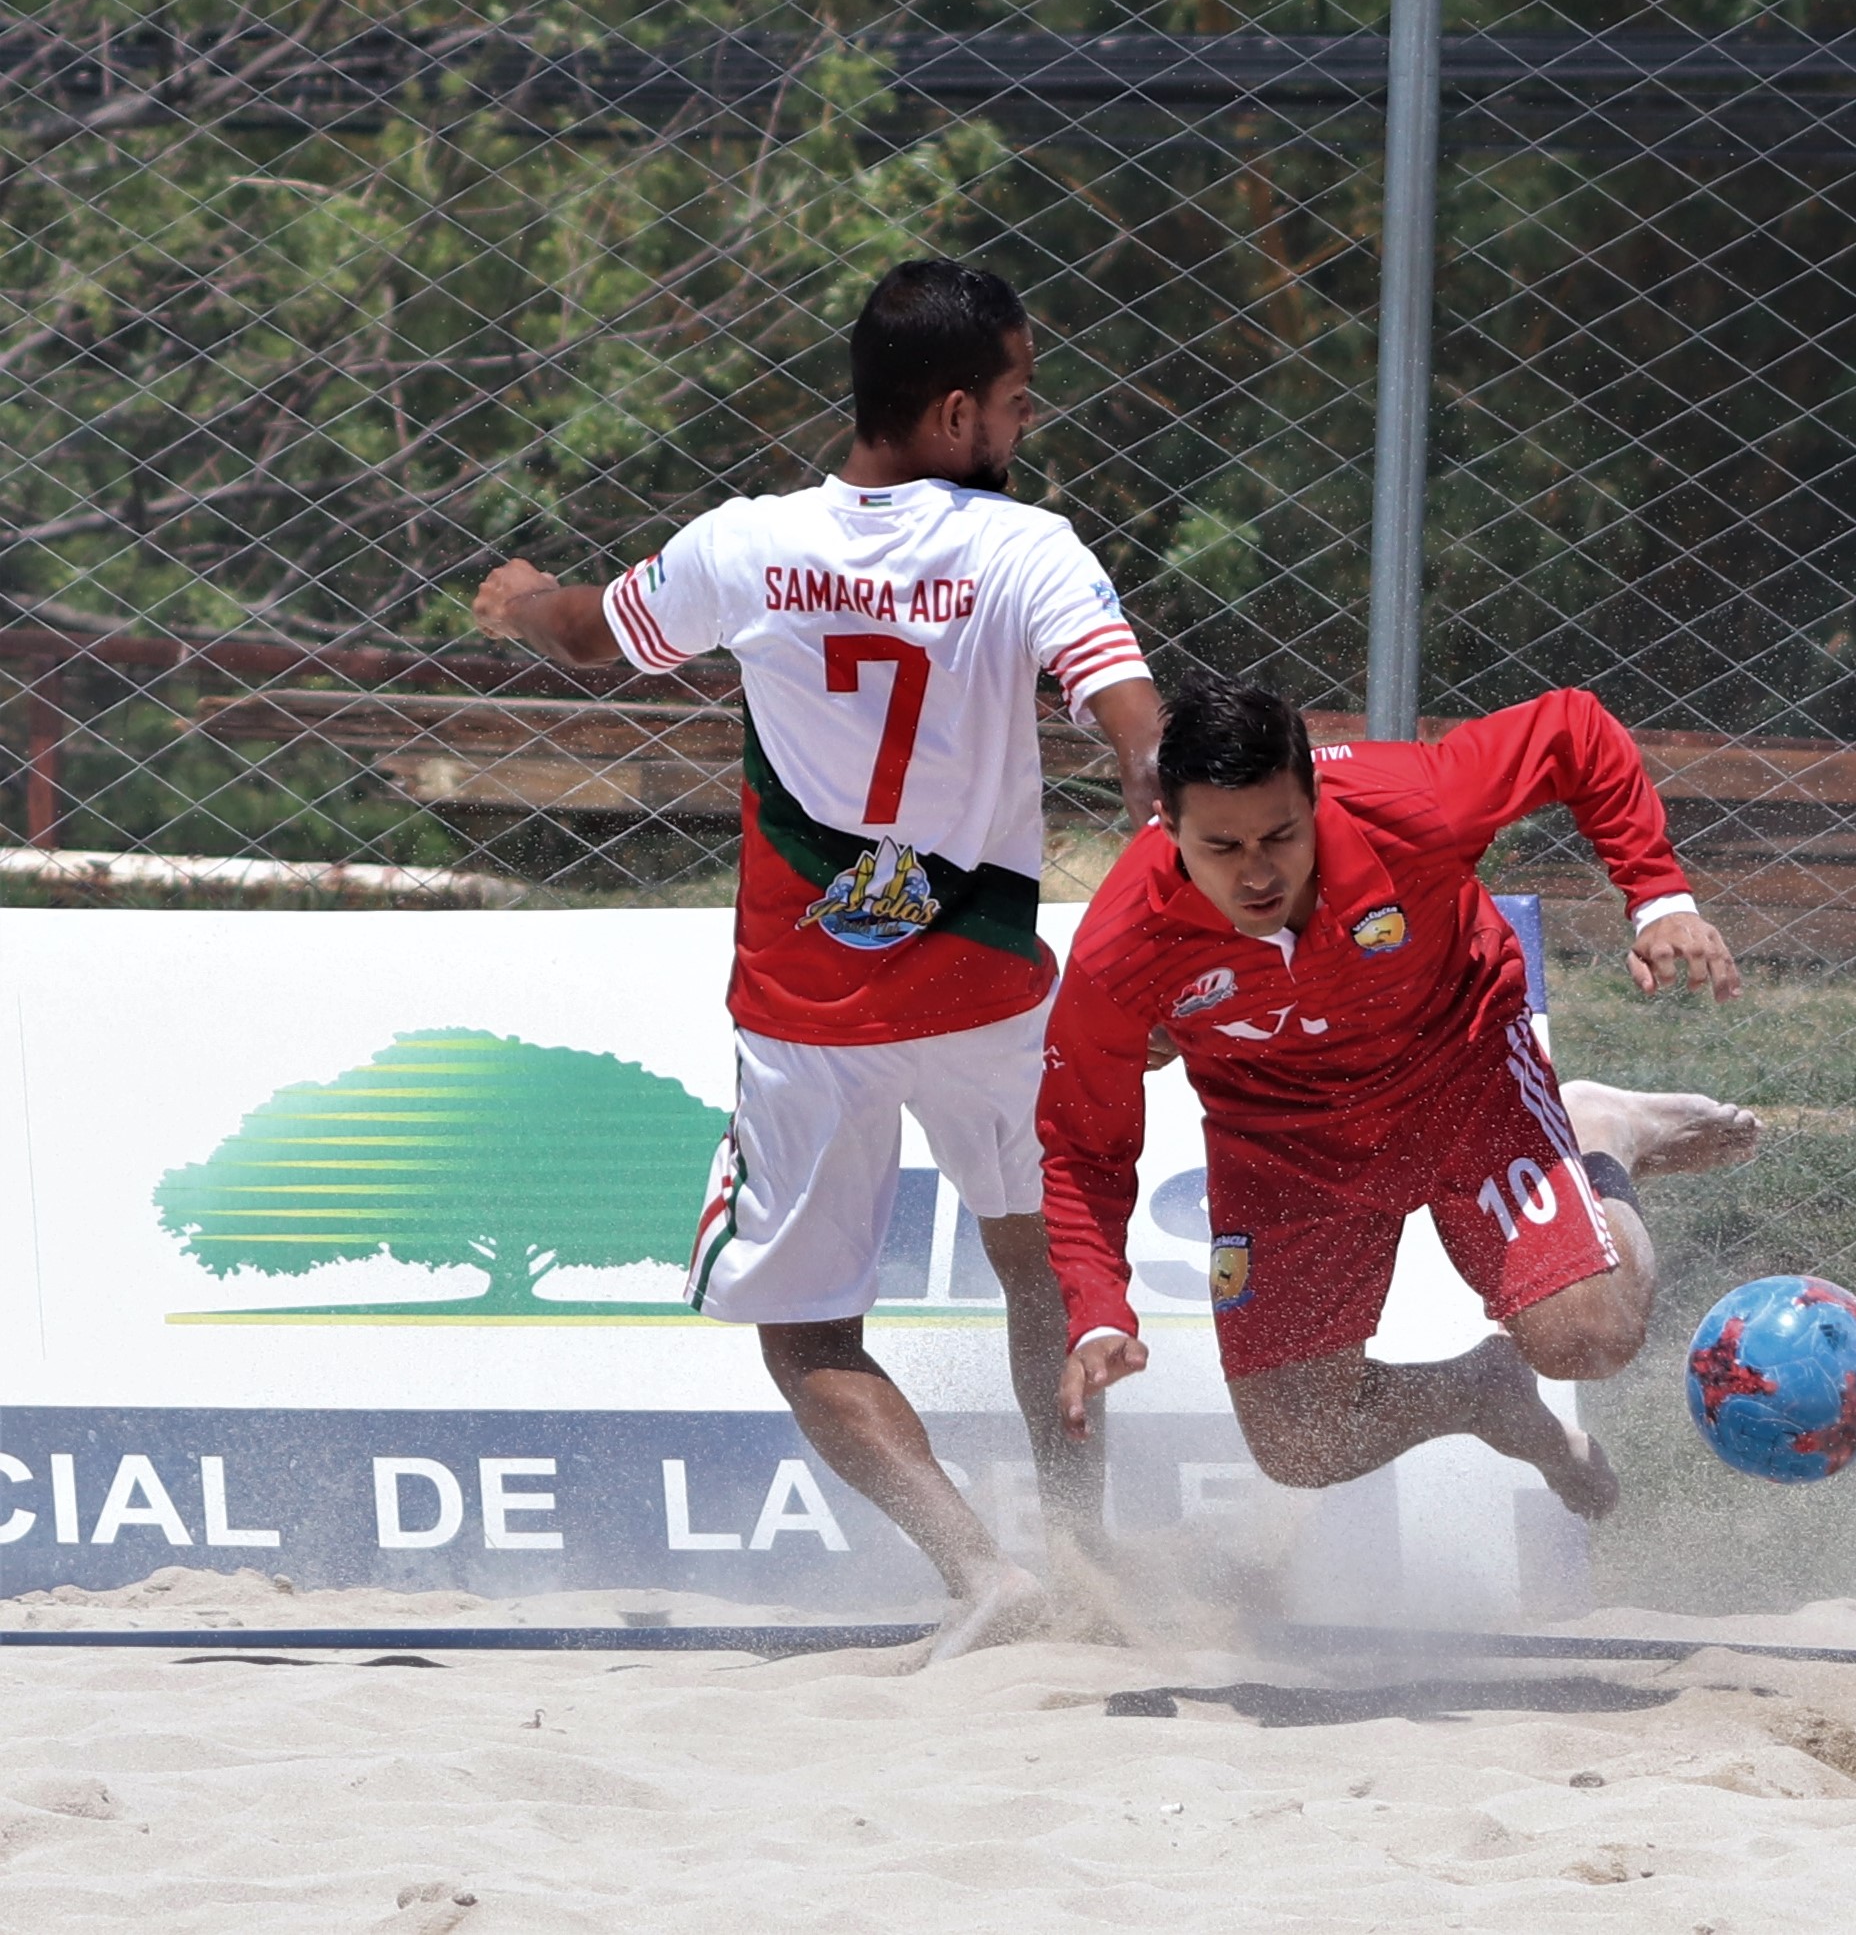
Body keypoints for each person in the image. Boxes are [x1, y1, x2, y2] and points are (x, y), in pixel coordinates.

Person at [470, 258, 1160, 1659]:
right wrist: (1156, 884)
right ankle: (1087, 1561)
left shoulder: (747, 543)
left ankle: (983, 1573)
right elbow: (1137, 732)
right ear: (955, 413)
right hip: (986, 991)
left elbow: (596, 635)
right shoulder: (1030, 550)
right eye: (1019, 397)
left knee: (805, 1334)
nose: (1028, 420)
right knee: (1044, 1273)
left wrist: (527, 595)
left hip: (812, 1006)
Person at [1037, 673, 1758, 1513]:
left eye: (1281, 834)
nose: (1258, 873)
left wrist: (1658, 896)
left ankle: (1601, 1135)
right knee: (1299, 1443)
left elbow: (1574, 729)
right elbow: (1081, 1145)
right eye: (1221, 847)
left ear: (1314, 795)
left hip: (1465, 1075)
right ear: (1166, 824)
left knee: (1590, 1339)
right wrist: (1098, 1309)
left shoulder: (1407, 800)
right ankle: (1480, 1394)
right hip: (1284, 1148)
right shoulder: (1122, 947)